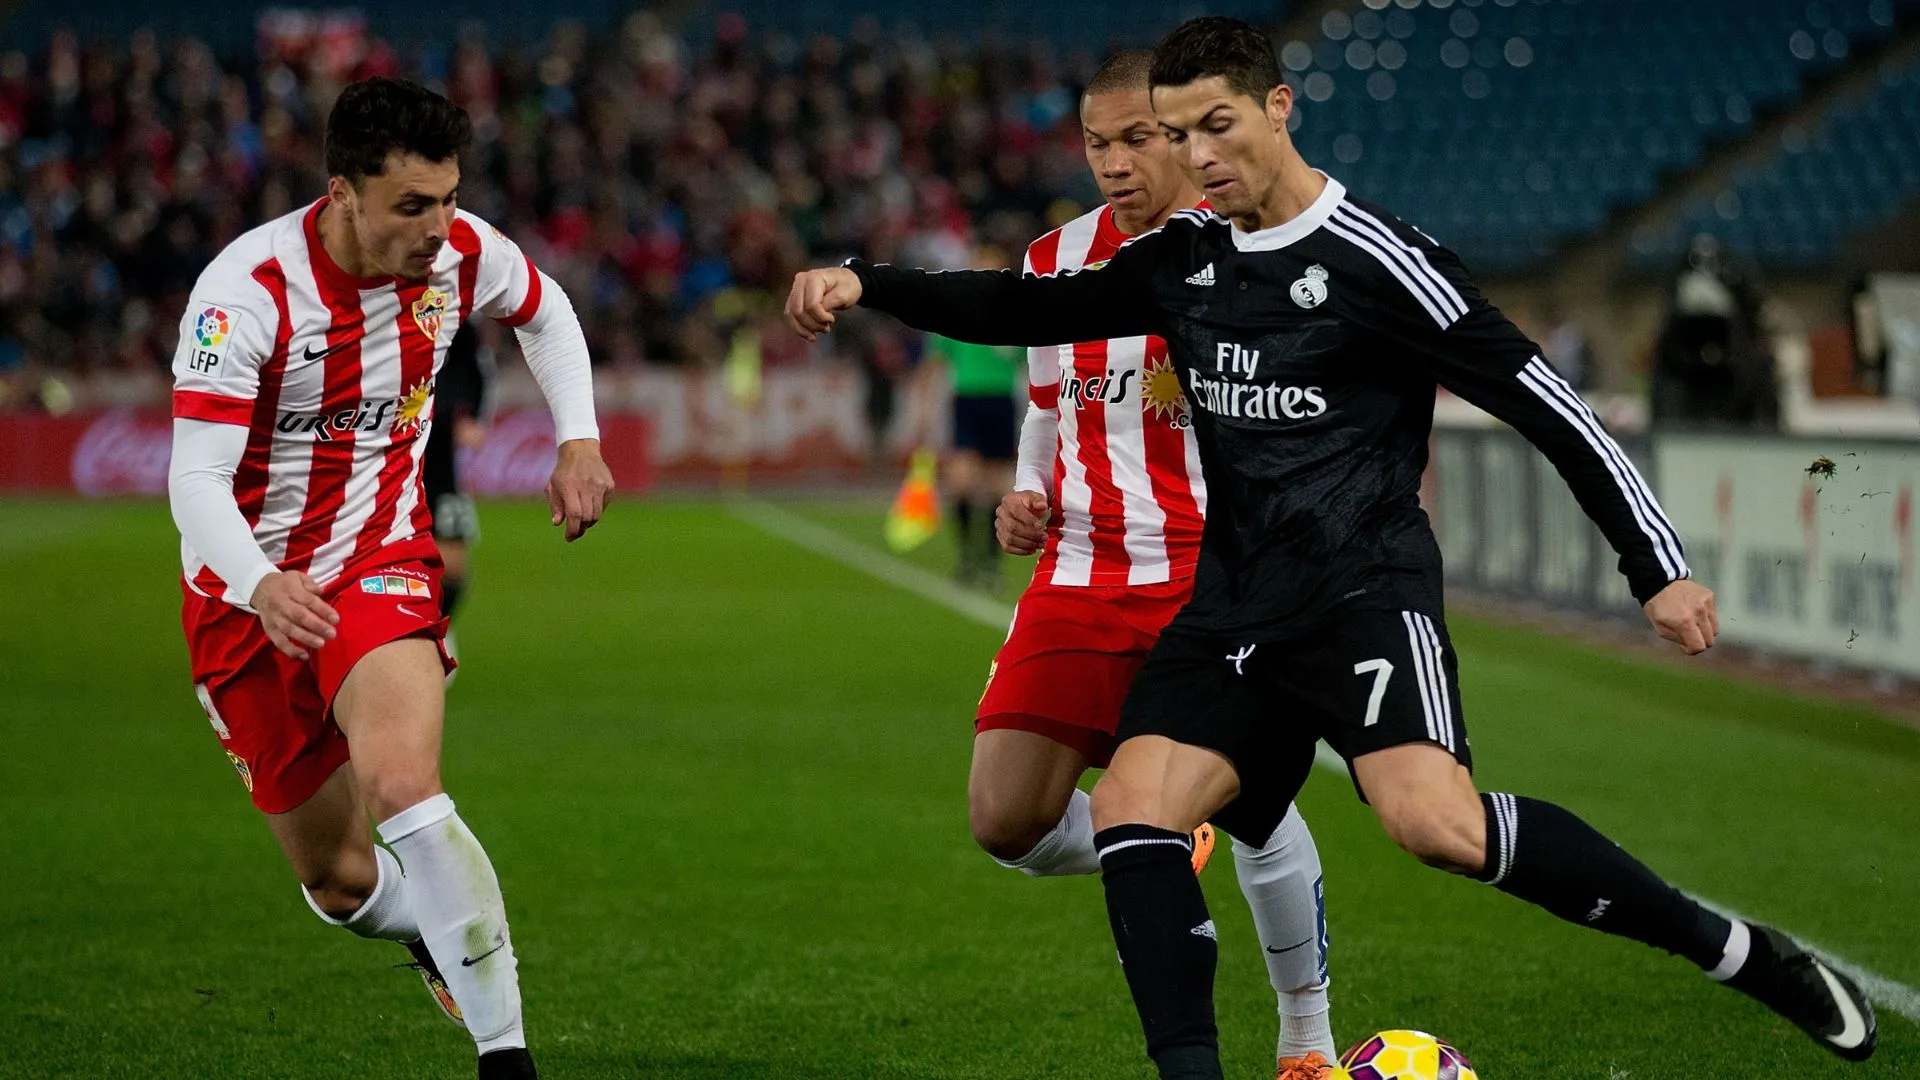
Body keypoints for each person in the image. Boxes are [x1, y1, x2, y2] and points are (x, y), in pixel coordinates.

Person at [786, 18, 1875, 1079]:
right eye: (1176, 134)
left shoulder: (1382, 260)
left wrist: (1658, 567)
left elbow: (1548, 404)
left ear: (1277, 107)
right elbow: (1026, 308)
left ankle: (1733, 951)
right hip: (1228, 608)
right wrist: (868, 282)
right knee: (1132, 812)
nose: (1196, 157)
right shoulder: (1184, 258)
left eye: (1214, 126)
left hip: (1360, 593)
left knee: (1434, 825)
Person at [167, 77, 613, 1080]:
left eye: (449, 196)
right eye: (412, 204)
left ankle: (506, 1056)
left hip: (378, 559)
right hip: (247, 593)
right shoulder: (245, 295)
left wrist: (577, 440)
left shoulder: (460, 253)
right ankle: (440, 931)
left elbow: (546, 314)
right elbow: (194, 479)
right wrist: (258, 583)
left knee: (405, 785)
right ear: (342, 194)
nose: (439, 225)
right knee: (336, 881)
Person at [977, 49, 1335, 1074]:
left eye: (1140, 139)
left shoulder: (1245, 253)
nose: (1117, 163)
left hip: (1210, 580)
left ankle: (1304, 1039)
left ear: (1185, 137)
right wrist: (1026, 489)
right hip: (1083, 572)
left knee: (1263, 806)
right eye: (1099, 143)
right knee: (1006, 820)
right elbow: (1047, 403)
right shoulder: (1055, 261)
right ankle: (1166, 833)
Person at [930, 244, 1025, 589]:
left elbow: (1033, 364)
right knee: (963, 480)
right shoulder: (956, 313)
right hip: (967, 400)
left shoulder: (1014, 317)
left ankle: (991, 562)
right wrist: (922, 410)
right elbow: (936, 362)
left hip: (1000, 401)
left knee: (999, 483)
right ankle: (969, 557)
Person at [423, 320, 490, 640]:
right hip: (380, 455)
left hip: (439, 456)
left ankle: (437, 629)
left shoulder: (452, 312)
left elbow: (477, 370)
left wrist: (473, 416)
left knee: (453, 562)